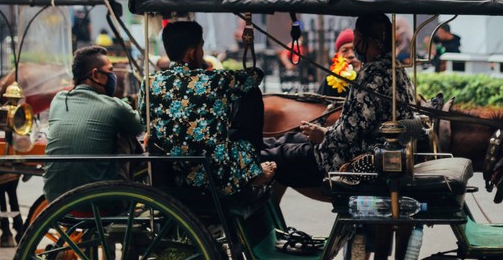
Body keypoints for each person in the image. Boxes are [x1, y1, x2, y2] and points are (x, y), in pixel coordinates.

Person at [262, 13, 415, 258]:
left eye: (357, 39)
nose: (354, 46)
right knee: (285, 141)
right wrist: (324, 132)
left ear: (370, 42)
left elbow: (351, 132)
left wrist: (323, 136)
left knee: (273, 154)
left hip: (348, 161)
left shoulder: (375, 75)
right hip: (362, 152)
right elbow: (357, 125)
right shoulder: (395, 71)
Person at [139, 21, 276, 196]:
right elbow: (256, 76)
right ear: (191, 53)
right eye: (201, 47)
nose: (203, 53)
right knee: (252, 93)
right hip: (213, 174)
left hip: (170, 169)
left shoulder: (149, 82)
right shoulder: (215, 80)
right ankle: (252, 169)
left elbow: (144, 120)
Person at [43, 45, 144, 202]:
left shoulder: (59, 99)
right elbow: (139, 127)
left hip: (55, 201)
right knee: (127, 135)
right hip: (100, 201)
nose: (113, 76)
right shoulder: (115, 106)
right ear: (95, 75)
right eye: (110, 71)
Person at [317, 28, 361, 97]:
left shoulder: (371, 76)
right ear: (337, 54)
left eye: (354, 49)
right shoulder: (330, 79)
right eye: (345, 50)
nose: (351, 55)